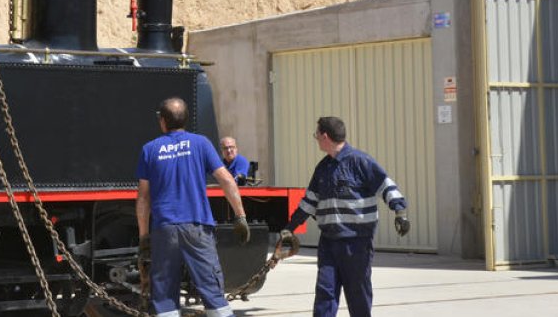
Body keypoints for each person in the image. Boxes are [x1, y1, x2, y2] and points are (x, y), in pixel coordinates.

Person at [278, 116, 409, 317]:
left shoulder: (360, 161)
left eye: (316, 135)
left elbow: (386, 185)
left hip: (357, 243)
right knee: (325, 294)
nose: (316, 139)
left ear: (325, 136)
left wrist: (400, 212)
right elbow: (309, 202)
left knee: (358, 294)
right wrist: (289, 228)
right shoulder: (322, 168)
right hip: (329, 243)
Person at [137, 97, 250, 317]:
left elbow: (143, 198)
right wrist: (240, 216)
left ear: (162, 121)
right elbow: (227, 180)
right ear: (186, 119)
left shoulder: (149, 149)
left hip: (164, 229)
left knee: (164, 298)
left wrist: (143, 237)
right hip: (197, 227)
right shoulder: (201, 143)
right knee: (213, 292)